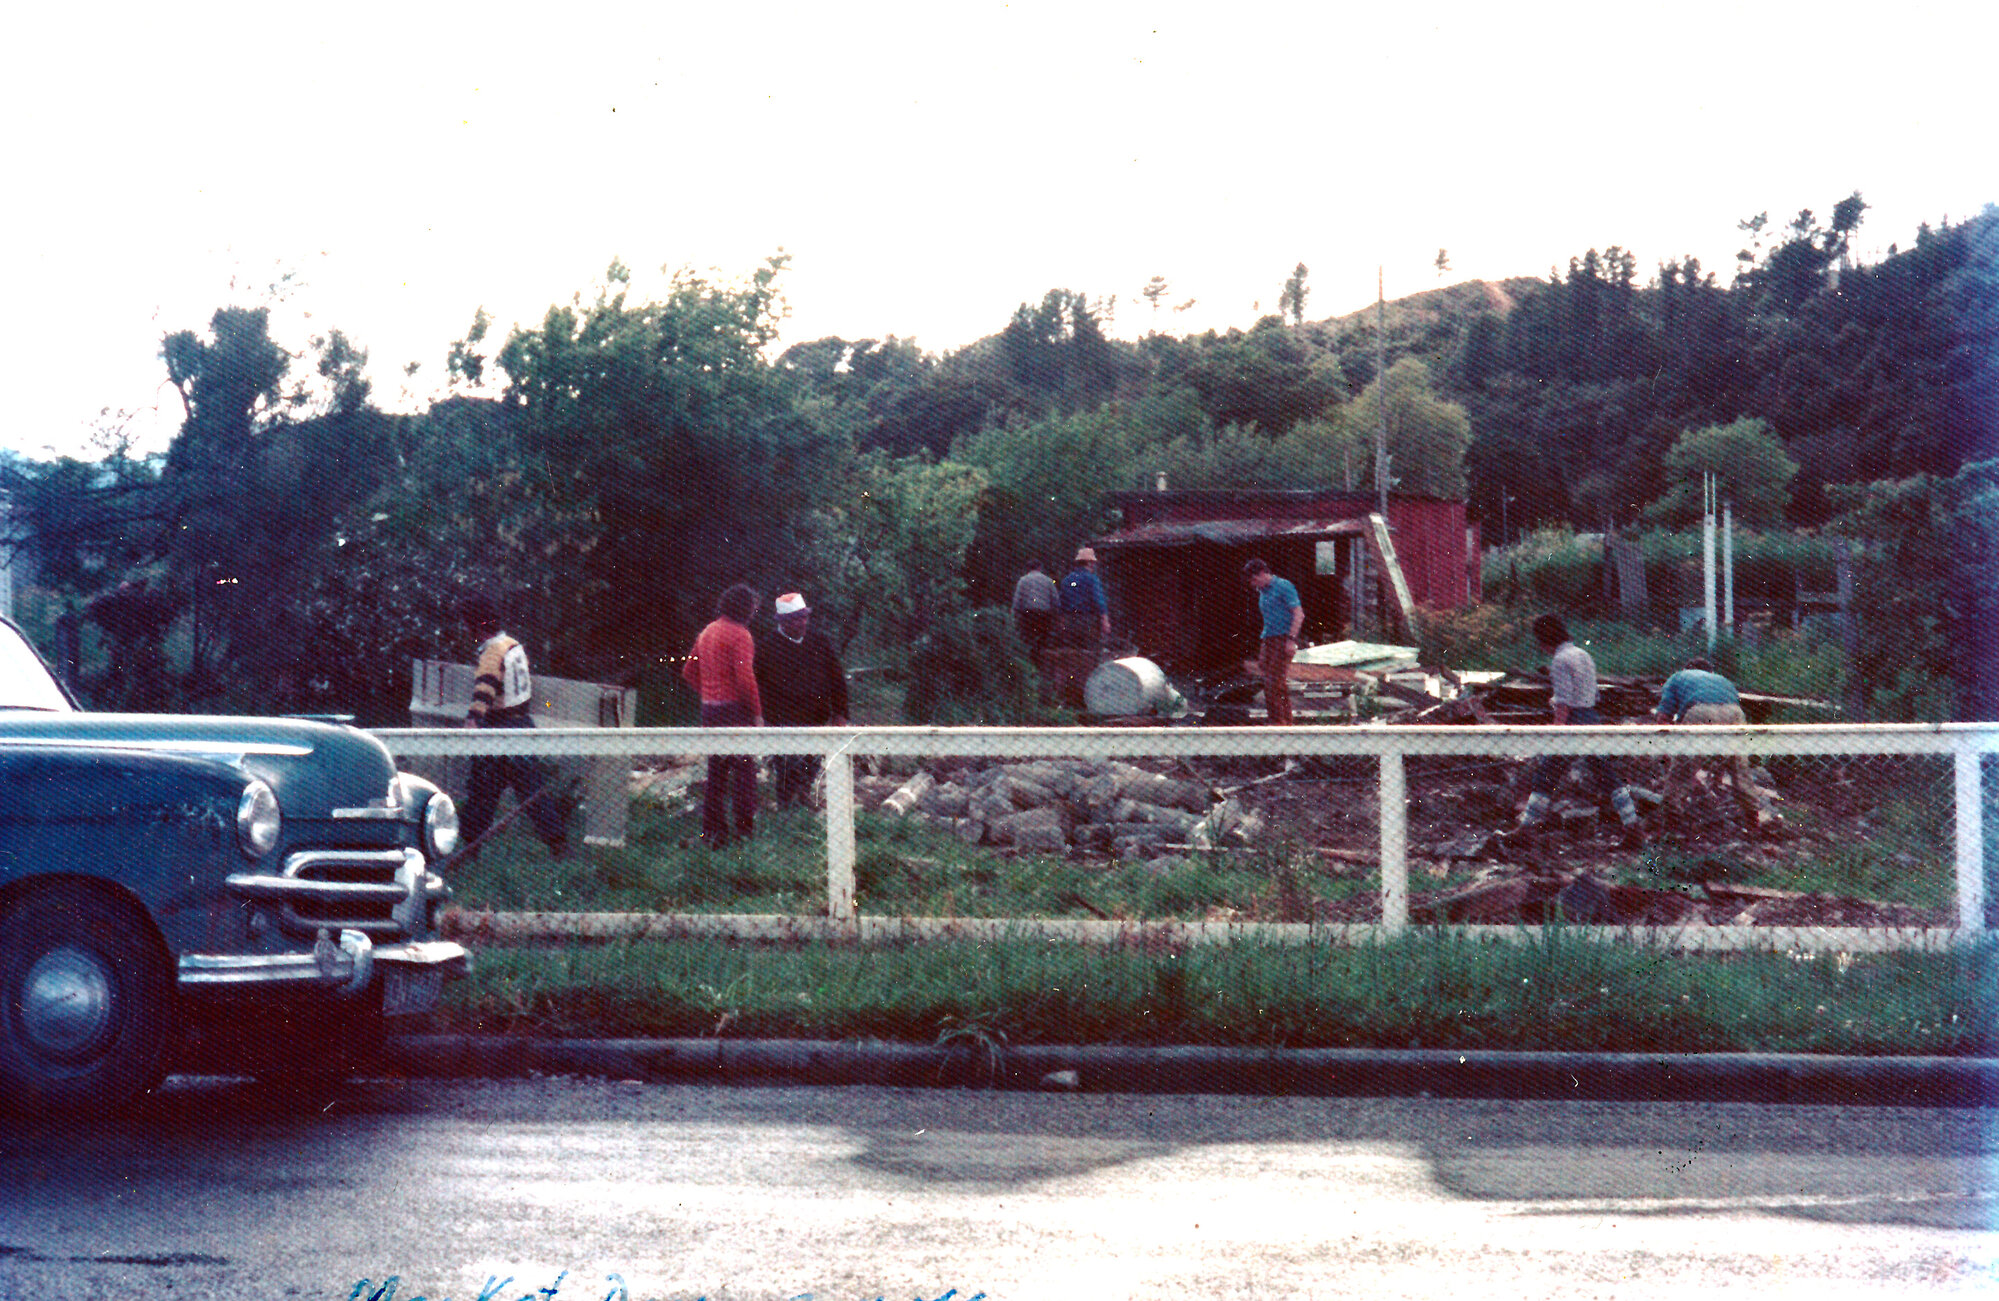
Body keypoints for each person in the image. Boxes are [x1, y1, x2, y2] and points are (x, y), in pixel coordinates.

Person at [1513, 613, 1646, 849]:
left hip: (1573, 720)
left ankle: (1526, 830)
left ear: (1544, 638)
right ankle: (1633, 827)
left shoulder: (1560, 661)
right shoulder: (1583, 655)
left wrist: (1556, 731)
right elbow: (1592, 694)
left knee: (1546, 774)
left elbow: (1564, 702)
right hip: (1591, 717)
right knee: (1607, 776)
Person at [457, 595, 570, 860]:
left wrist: (472, 720)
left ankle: (469, 849)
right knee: (532, 791)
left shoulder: (491, 652)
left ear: (476, 626)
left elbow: (485, 688)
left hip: (500, 727)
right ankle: (559, 845)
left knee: (482, 791)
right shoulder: (514, 645)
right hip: (522, 724)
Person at [1654, 657, 1780, 833]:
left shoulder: (1678, 677)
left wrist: (1667, 750)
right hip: (1735, 714)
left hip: (1699, 711)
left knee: (1681, 772)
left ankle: (1671, 828)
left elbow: (1663, 718)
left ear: (1686, 668)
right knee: (1739, 768)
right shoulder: (1722, 680)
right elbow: (1722, 747)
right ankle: (1753, 825)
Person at [681, 584, 764, 848]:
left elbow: (688, 671)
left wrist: (709, 691)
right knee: (744, 773)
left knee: (716, 774)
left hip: (710, 709)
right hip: (734, 710)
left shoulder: (707, 631)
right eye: (752, 606)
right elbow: (745, 679)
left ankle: (714, 834)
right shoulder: (741, 635)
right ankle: (743, 833)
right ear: (744, 607)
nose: (754, 612)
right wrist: (757, 712)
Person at [755, 591, 850, 807]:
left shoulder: (820, 641)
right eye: (795, 619)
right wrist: (760, 716)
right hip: (782, 720)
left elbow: (837, 679)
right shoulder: (767, 646)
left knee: (812, 761)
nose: (802, 622)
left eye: (804, 616)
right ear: (782, 621)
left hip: (816, 716)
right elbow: (756, 685)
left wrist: (841, 713)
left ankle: (806, 796)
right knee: (786, 765)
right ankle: (786, 807)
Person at [1243, 558, 1303, 727]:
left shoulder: (1284, 586)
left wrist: (1291, 640)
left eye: (1255, 580)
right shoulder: (1262, 591)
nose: (1254, 584)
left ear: (1262, 573)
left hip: (1283, 638)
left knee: (1272, 682)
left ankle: (1277, 723)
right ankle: (1286, 720)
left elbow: (1299, 614)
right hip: (1268, 638)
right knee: (1274, 680)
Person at [1056, 547, 1111, 654]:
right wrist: (1105, 621)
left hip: (1070, 621)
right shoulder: (1092, 579)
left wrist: (1062, 622)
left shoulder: (1067, 580)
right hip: (1088, 621)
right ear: (1090, 563)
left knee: (1073, 652)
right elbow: (1098, 600)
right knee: (1091, 652)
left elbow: (1062, 602)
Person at [1011, 561, 1058, 661]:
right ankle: (1043, 660)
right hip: (1044, 615)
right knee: (1043, 640)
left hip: (1028, 615)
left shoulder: (1022, 580)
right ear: (1040, 568)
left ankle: (1031, 661)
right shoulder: (1048, 580)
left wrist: (1015, 615)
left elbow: (1017, 600)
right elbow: (1055, 599)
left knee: (1029, 639)